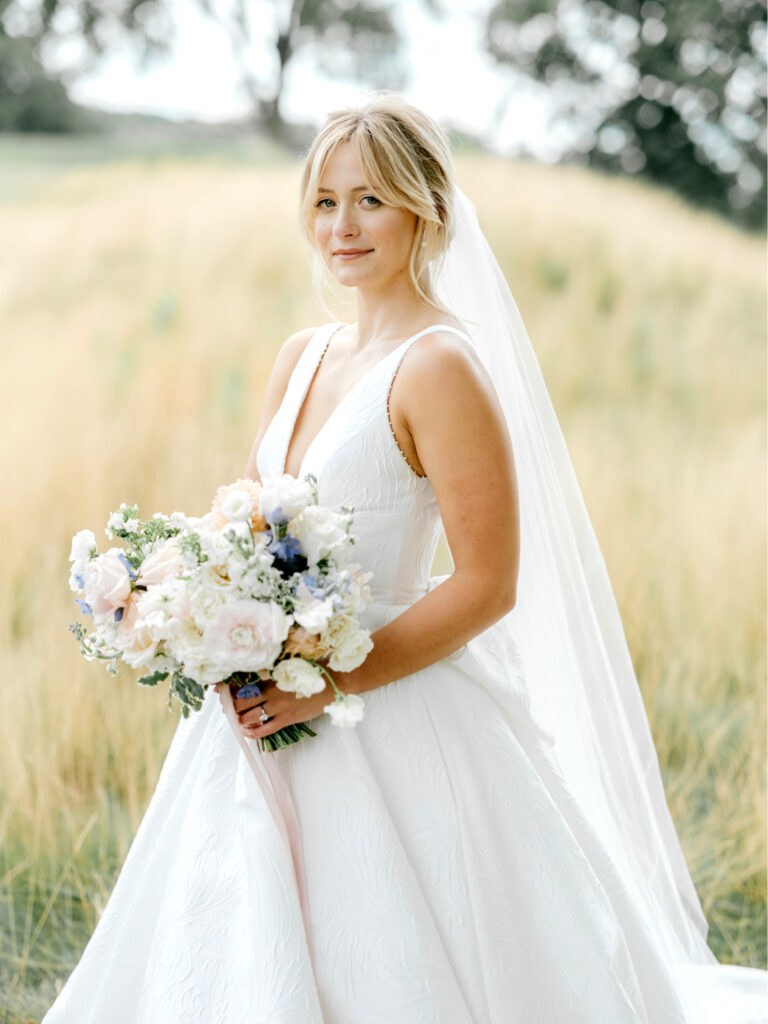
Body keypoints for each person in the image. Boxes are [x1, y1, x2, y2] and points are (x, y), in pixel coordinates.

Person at [43, 93, 765, 1023]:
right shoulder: (301, 355)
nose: (342, 226)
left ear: (426, 208)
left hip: (386, 706)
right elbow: (253, 531)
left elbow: (487, 583)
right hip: (258, 705)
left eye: (371, 200)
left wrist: (329, 683)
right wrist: (186, 599)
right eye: (324, 200)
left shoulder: (439, 367)